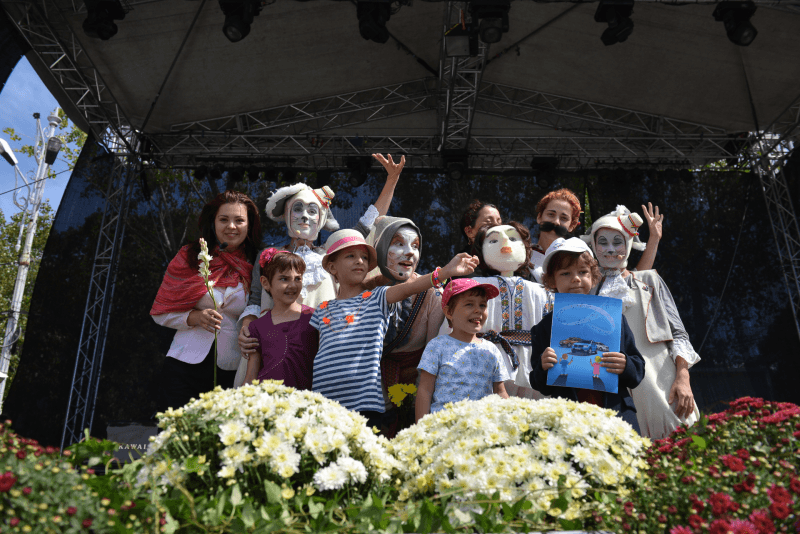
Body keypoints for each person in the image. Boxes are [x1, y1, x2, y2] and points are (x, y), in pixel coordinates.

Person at [234, 154, 406, 385]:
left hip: (320, 347)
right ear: (287, 214)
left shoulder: (332, 256)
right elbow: (255, 298)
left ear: (322, 218)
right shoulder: (269, 256)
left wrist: (392, 180)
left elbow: (369, 222)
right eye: (298, 209)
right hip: (271, 345)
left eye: (312, 210)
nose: (305, 216)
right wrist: (247, 325)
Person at [310, 229, 478, 430]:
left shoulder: (377, 297)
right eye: (350, 256)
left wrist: (445, 272)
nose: (360, 261)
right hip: (324, 404)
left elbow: (410, 287)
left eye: (364, 257)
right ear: (332, 266)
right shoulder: (320, 310)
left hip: (365, 407)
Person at [581, 205, 699, 439]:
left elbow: (679, 334)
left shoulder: (649, 281)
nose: (610, 249)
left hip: (661, 384)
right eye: (602, 242)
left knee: (681, 452)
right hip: (614, 391)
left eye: (618, 241)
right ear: (593, 246)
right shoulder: (588, 293)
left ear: (628, 244)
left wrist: (683, 378)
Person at [150, 190, 261, 412]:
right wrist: (194, 317)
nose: (231, 226)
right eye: (224, 219)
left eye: (239, 220)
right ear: (213, 222)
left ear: (249, 226)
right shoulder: (190, 257)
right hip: (184, 364)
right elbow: (160, 312)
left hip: (233, 367)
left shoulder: (256, 264)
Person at [529, 237, 645, 429]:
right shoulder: (543, 328)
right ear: (551, 280)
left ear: (593, 277)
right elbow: (538, 383)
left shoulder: (614, 318)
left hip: (617, 418)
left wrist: (626, 364)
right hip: (568, 422)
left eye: (583, 272)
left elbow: (638, 371)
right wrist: (543, 367)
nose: (575, 279)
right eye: (565, 273)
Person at [358, 215, 445, 436]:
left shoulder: (432, 294)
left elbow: (433, 353)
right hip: (366, 395)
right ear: (380, 248)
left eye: (415, 246)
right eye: (398, 243)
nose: (409, 252)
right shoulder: (362, 291)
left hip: (414, 392)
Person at [441, 222, 548, 399]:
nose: (505, 243)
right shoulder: (472, 288)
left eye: (513, 239)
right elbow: (450, 330)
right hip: (484, 362)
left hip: (530, 368)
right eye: (493, 241)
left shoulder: (543, 292)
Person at [416, 278, 510, 422]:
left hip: (480, 430)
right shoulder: (437, 346)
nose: (478, 310)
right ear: (449, 312)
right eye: (469, 304)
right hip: (443, 429)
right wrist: (420, 429)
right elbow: (425, 390)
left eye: (482, 305)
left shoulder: (491, 350)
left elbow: (500, 392)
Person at [530, 189, 663, 284]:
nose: (556, 222)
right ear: (539, 217)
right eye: (551, 215)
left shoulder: (582, 258)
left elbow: (630, 281)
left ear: (572, 225)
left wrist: (654, 239)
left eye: (564, 218)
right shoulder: (522, 256)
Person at [242, 248, 318, 389]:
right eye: (284, 279)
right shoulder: (257, 327)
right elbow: (251, 376)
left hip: (306, 405)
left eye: (298, 279)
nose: (292, 285)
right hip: (267, 404)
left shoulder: (315, 318)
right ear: (265, 283)